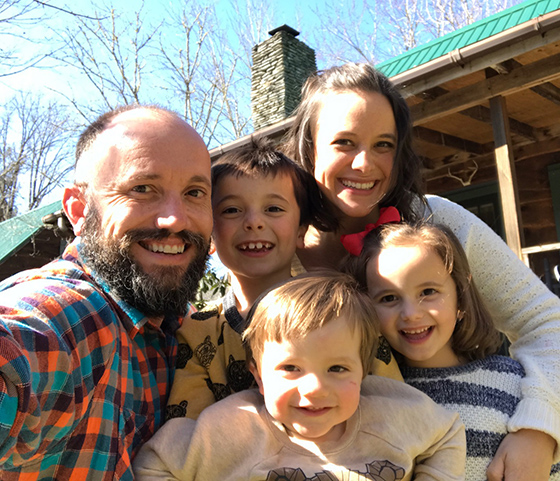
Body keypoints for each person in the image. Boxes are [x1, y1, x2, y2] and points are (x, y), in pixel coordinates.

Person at [284, 62, 560, 481]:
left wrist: (537, 431)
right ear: (309, 148)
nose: (364, 163)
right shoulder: (277, 245)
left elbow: (548, 324)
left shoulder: (437, 220)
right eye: (344, 142)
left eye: (384, 144)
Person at [0, 105, 213, 480]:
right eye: (143, 189)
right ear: (79, 209)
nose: (176, 219)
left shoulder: (189, 331)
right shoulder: (73, 315)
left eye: (195, 192)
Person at [133, 271, 466, 481]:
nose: (315, 388)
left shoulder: (389, 415)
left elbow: (449, 432)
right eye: (291, 368)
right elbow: (155, 462)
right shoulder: (234, 428)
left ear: (364, 372)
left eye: (337, 369)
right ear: (258, 377)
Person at [348, 222, 560, 481]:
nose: (411, 314)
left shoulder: (513, 384)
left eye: (428, 292)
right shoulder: (366, 395)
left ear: (461, 297)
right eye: (388, 298)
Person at [166, 140, 340, 420]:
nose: (254, 222)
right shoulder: (198, 333)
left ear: (301, 230)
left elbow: (391, 404)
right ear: (210, 232)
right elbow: (187, 434)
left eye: (273, 209)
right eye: (232, 210)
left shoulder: (338, 312)